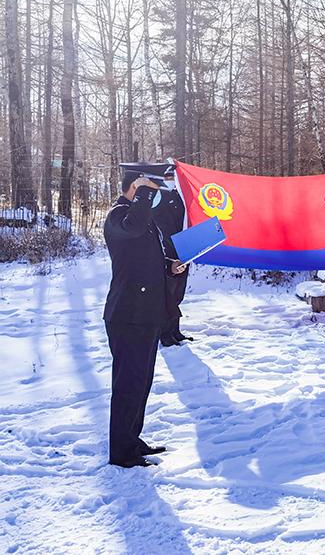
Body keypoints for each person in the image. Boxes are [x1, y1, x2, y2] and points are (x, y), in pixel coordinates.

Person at [103, 169, 186, 468]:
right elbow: (133, 229)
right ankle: (122, 452)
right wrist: (144, 191)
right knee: (128, 384)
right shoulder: (118, 216)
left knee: (141, 383)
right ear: (135, 189)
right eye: (150, 190)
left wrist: (169, 266)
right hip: (127, 316)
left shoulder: (140, 219)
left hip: (146, 315)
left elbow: (141, 259)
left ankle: (131, 440)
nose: (155, 197)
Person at [153, 166, 193, 347]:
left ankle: (175, 330)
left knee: (178, 295)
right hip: (166, 250)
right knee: (167, 295)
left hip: (185, 249)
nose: (170, 178)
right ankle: (164, 333)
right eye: (168, 176)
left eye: (173, 176)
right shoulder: (157, 195)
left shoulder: (181, 195)